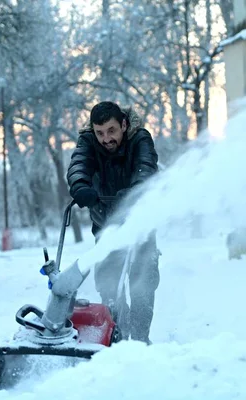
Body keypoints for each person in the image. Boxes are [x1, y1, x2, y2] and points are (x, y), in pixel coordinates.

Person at [66, 101, 160, 345]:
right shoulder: (88, 142)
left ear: (124, 125)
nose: (105, 138)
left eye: (111, 131)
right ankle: (118, 338)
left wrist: (133, 195)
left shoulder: (140, 139)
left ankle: (139, 341)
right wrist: (80, 186)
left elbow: (146, 168)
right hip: (106, 225)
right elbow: (79, 164)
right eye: (100, 132)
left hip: (140, 227)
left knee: (142, 286)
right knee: (109, 287)